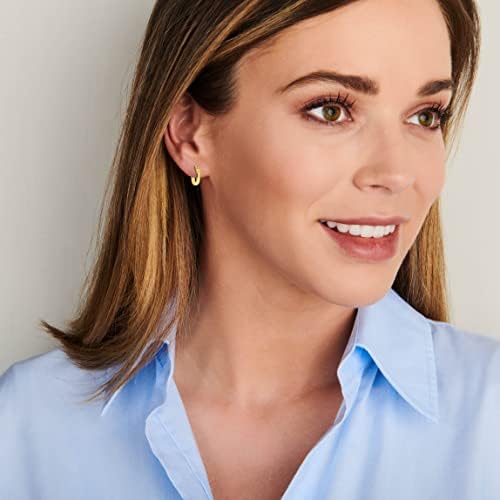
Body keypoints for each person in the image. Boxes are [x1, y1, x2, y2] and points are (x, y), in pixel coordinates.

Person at [1, 0, 499, 498]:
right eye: (331, 110)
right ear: (189, 134)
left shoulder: (487, 417)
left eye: (425, 116)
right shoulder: (27, 428)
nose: (397, 174)